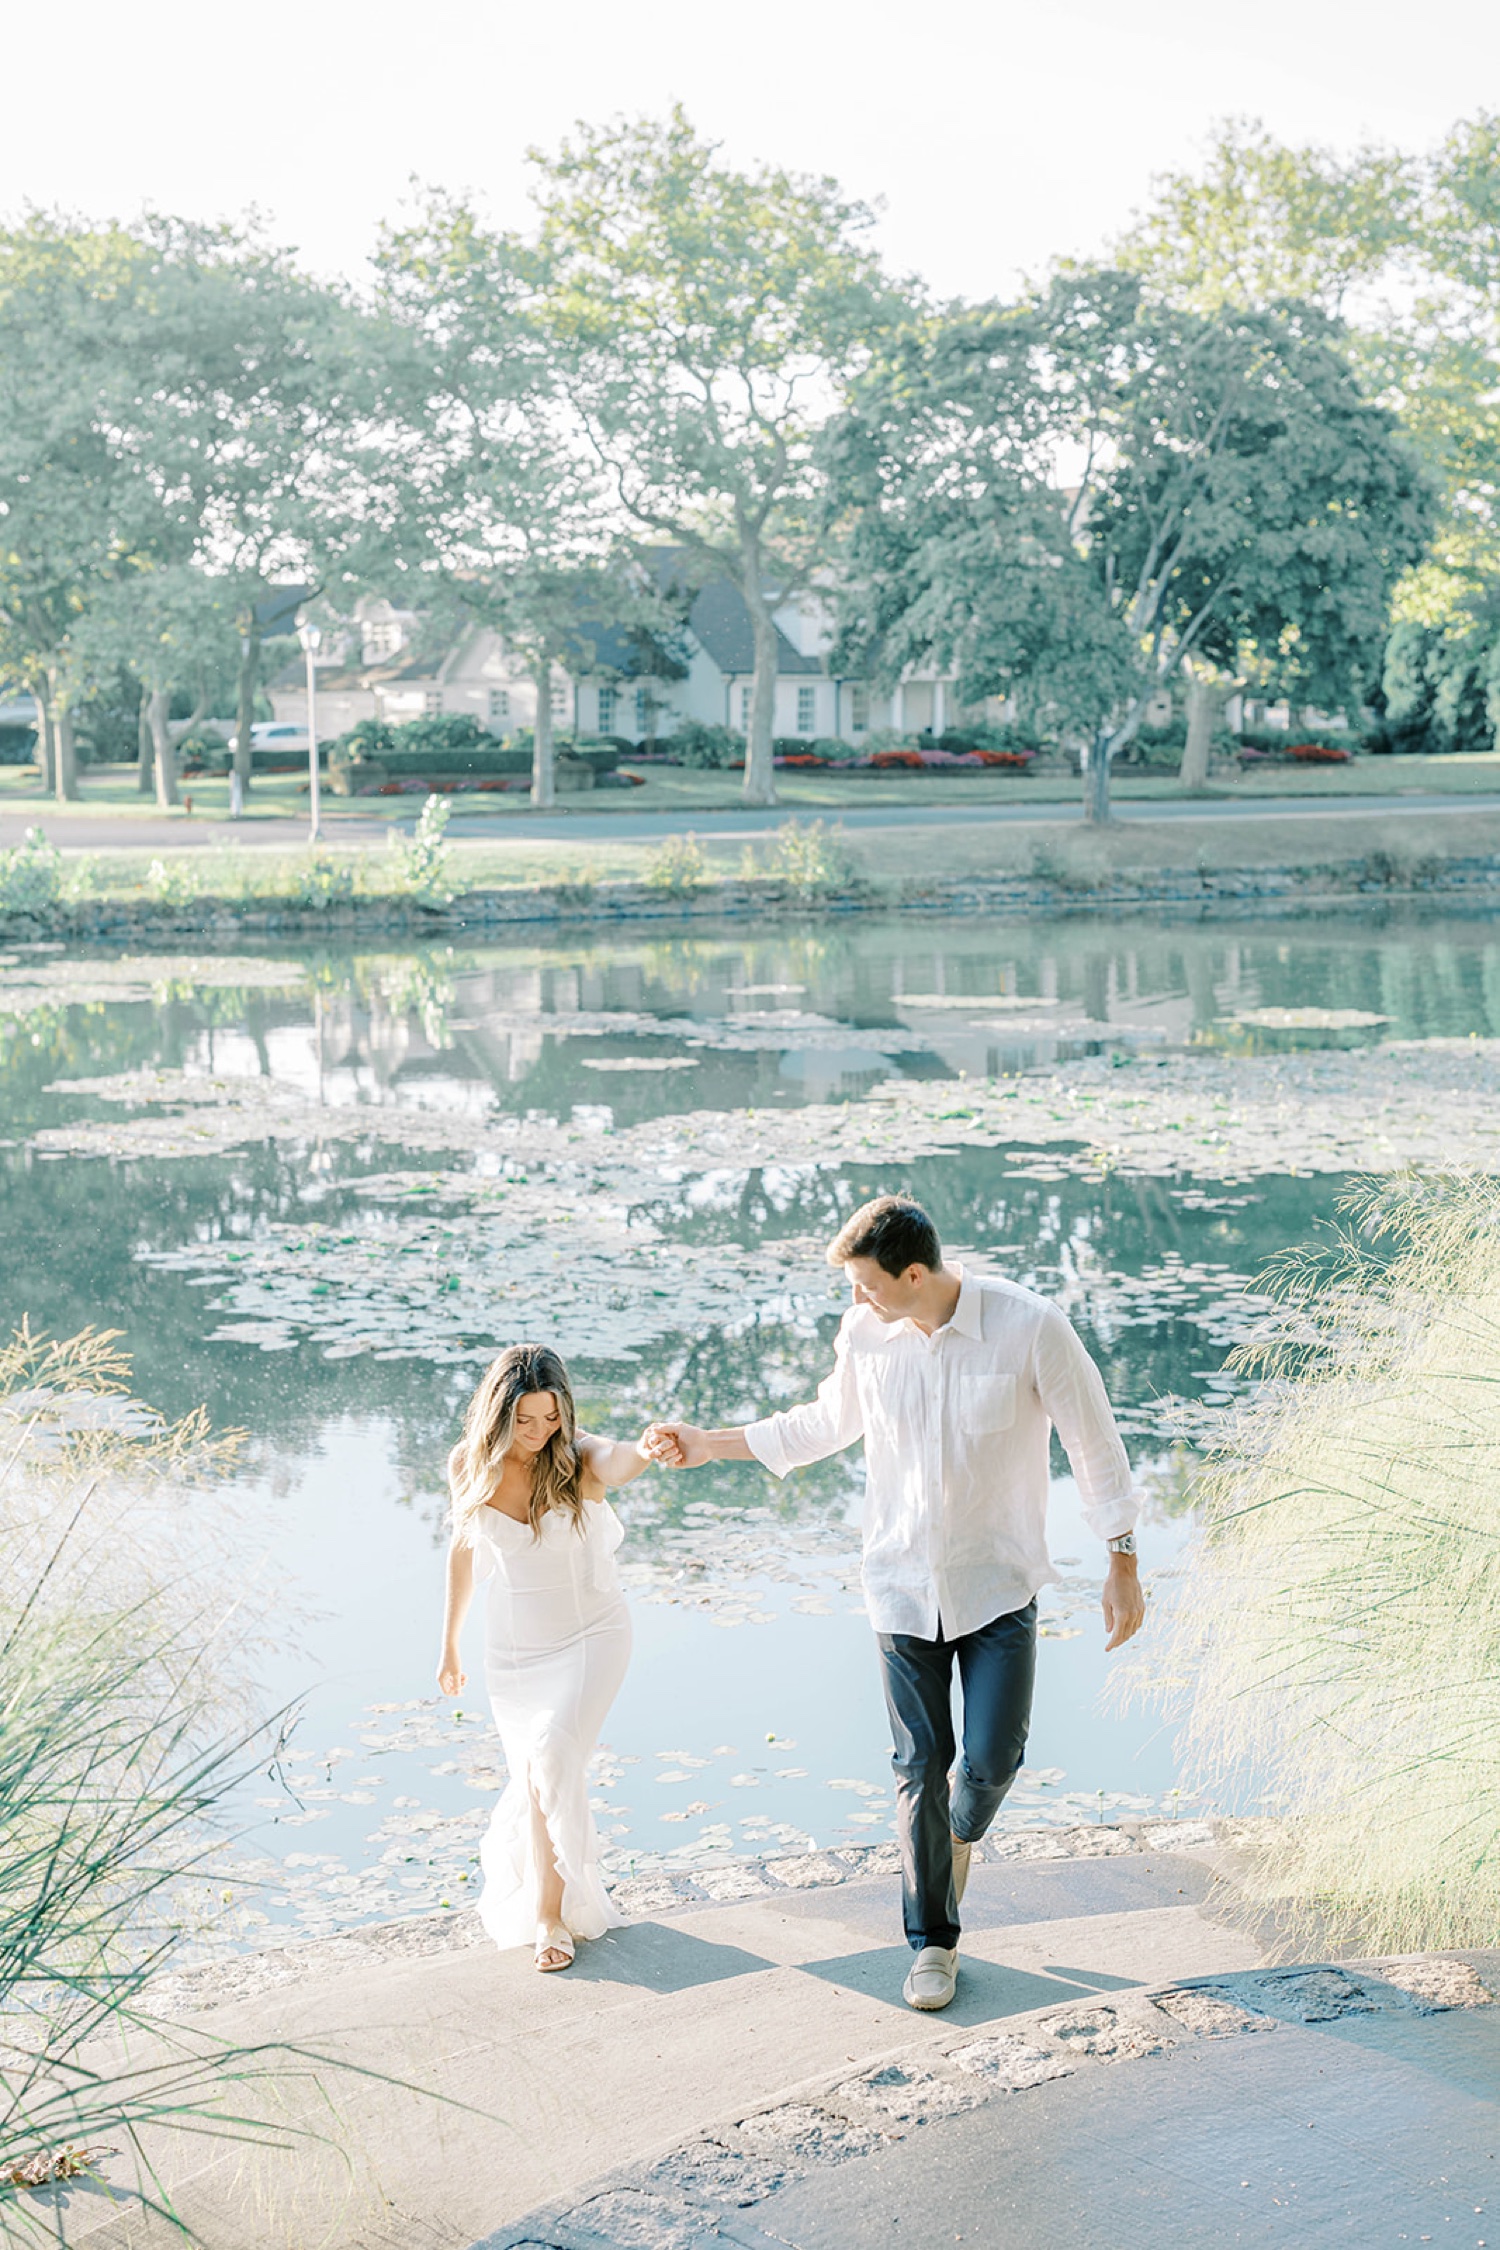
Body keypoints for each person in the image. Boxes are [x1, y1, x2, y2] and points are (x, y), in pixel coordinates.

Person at [644, 1194, 1145, 2013]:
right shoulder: (865, 1336)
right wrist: (710, 1443)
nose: (856, 1302)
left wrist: (1121, 1558)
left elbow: (1094, 1442)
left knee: (992, 1762)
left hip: (998, 1586)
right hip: (900, 1587)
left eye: (868, 1285)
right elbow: (821, 1425)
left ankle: (957, 1842)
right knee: (918, 1768)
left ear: (916, 1274)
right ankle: (932, 1944)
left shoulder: (1030, 1327)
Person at [437, 1342, 655, 1972]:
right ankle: (548, 1906)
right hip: (511, 1651)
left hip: (591, 1636)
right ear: (498, 1413)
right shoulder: (468, 1464)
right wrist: (449, 1642)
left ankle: (550, 1914)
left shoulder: (578, 1457)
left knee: (553, 1755)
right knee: (535, 1775)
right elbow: (462, 1550)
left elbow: (619, 1462)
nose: (538, 1433)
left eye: (550, 1417)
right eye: (524, 1420)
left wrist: (647, 1447)